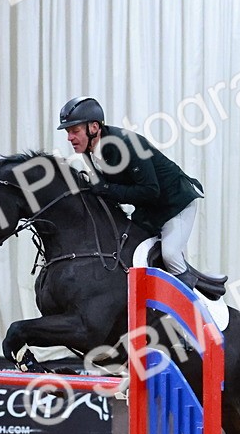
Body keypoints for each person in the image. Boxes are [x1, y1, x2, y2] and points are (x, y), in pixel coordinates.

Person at [57, 96, 224, 294]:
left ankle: (198, 305)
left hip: (175, 203)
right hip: (149, 209)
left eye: (74, 131)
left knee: (170, 254)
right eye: (68, 132)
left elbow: (149, 191)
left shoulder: (128, 144)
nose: (69, 138)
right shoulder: (89, 150)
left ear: (93, 127)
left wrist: (108, 190)